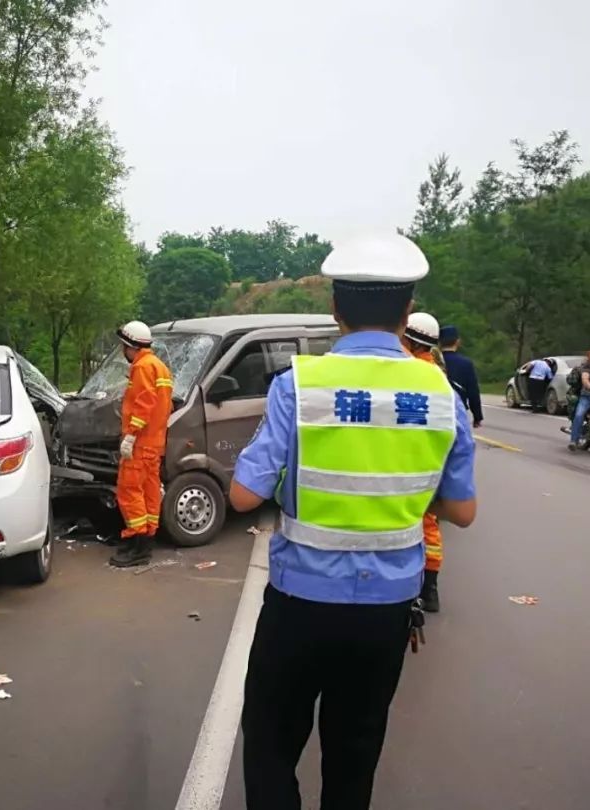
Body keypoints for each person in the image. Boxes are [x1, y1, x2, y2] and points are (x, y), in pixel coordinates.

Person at [229, 233, 477, 810]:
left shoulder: (300, 386)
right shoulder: (441, 395)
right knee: (354, 752)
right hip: (386, 611)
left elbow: (243, 496)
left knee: (270, 744)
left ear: (335, 311)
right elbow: (462, 511)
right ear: (408, 311)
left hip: (299, 605)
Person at [109, 321, 173, 568]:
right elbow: (164, 406)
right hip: (154, 443)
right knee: (149, 491)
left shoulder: (142, 367)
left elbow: (144, 403)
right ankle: (145, 540)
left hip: (141, 443)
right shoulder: (160, 367)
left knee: (129, 491)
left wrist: (131, 434)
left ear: (129, 346)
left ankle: (138, 546)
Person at [402, 311, 447, 613]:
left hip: (404, 459)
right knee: (429, 524)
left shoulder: (405, 373)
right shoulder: (438, 377)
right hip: (431, 461)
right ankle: (430, 590)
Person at [439, 325, 483, 428]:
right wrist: (477, 416)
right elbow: (473, 392)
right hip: (458, 411)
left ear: (440, 342)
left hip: (437, 409)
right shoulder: (465, 363)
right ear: (457, 342)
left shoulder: (433, 361)